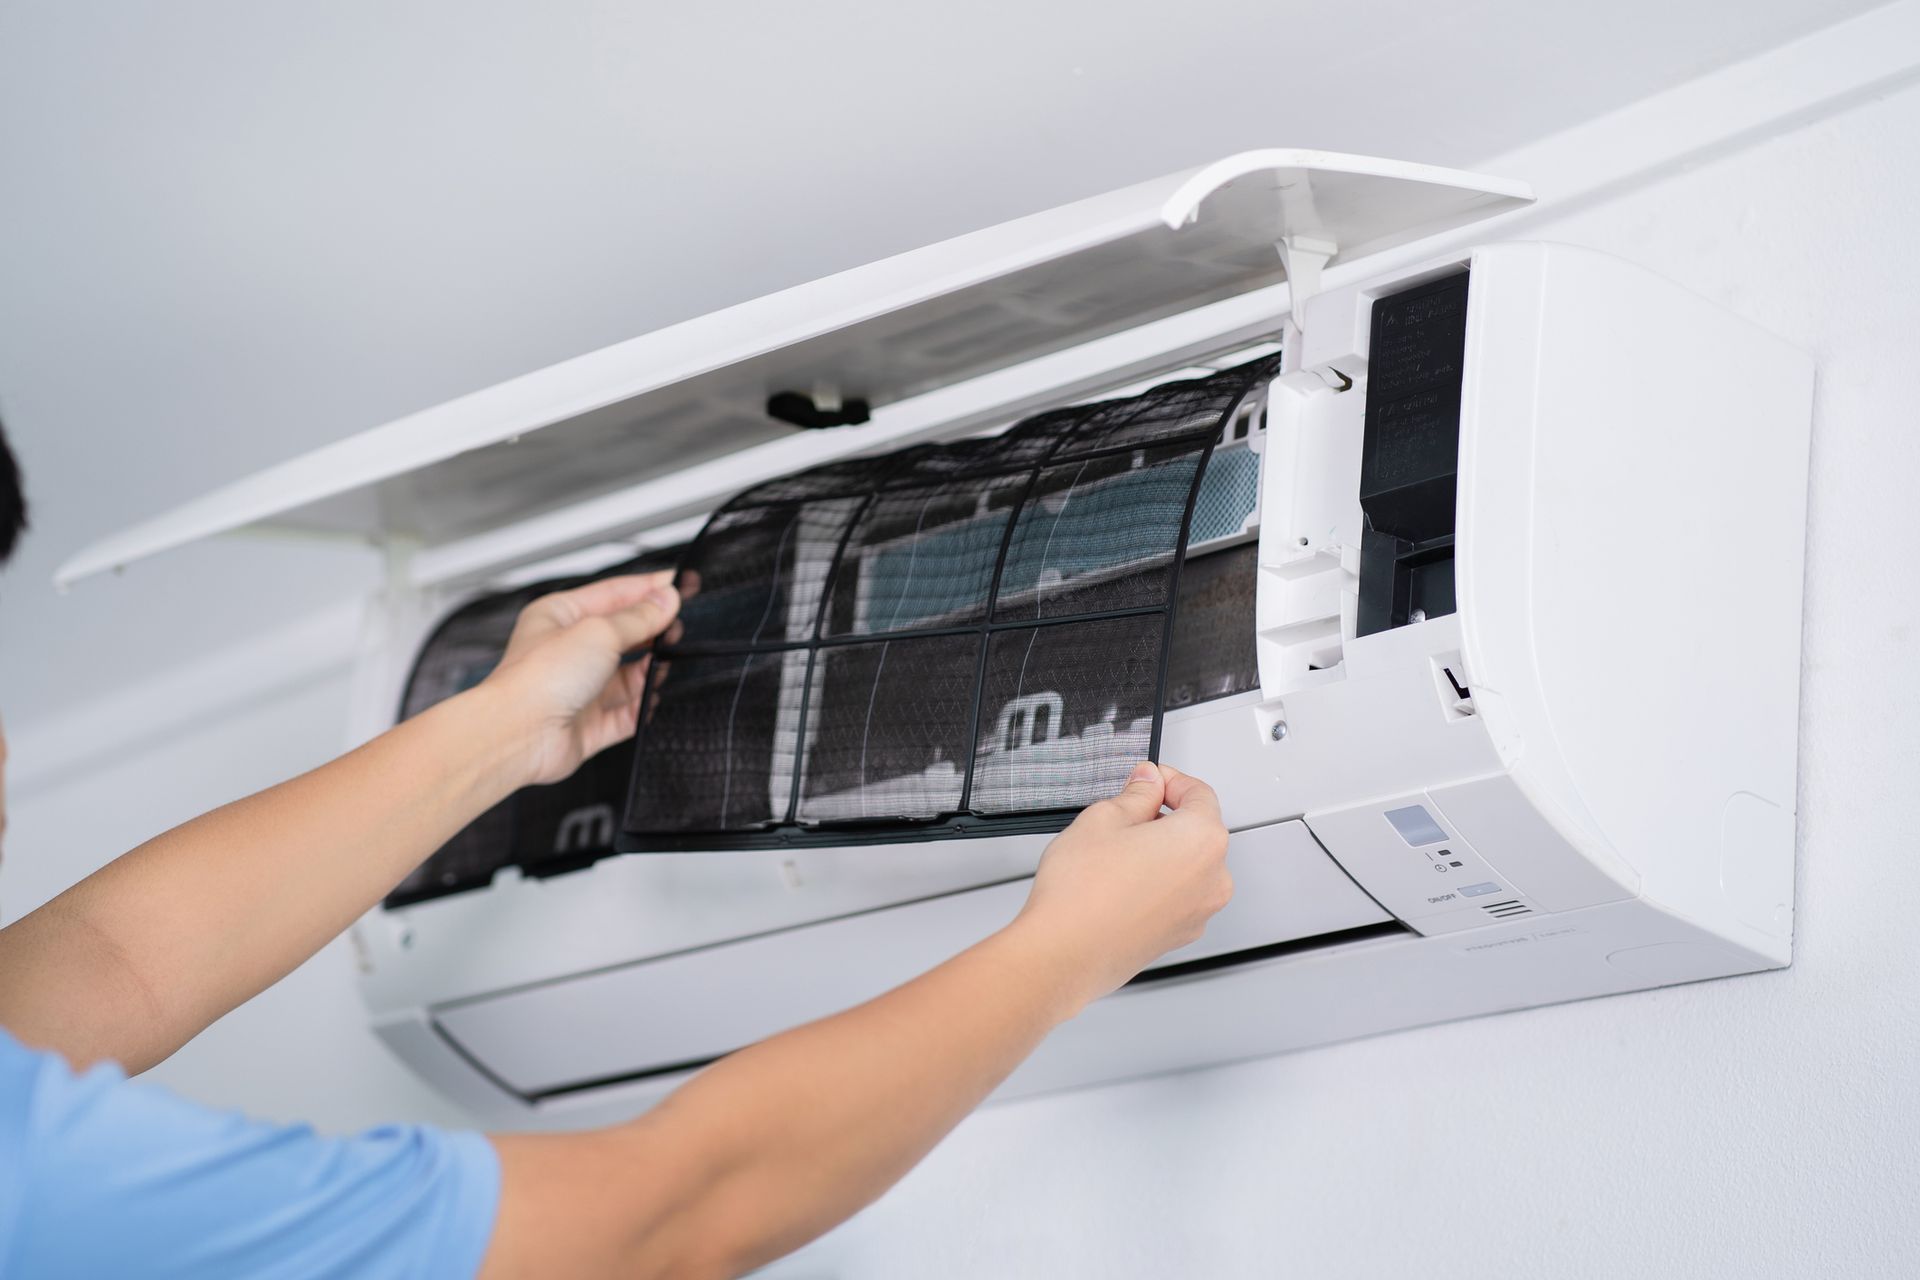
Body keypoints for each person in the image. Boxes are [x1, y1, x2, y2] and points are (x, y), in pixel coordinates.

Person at [0, 416, 1234, 1279]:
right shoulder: (40, 1181)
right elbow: (668, 1217)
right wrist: (1064, 951)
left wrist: (500, 729)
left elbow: (106, 963)